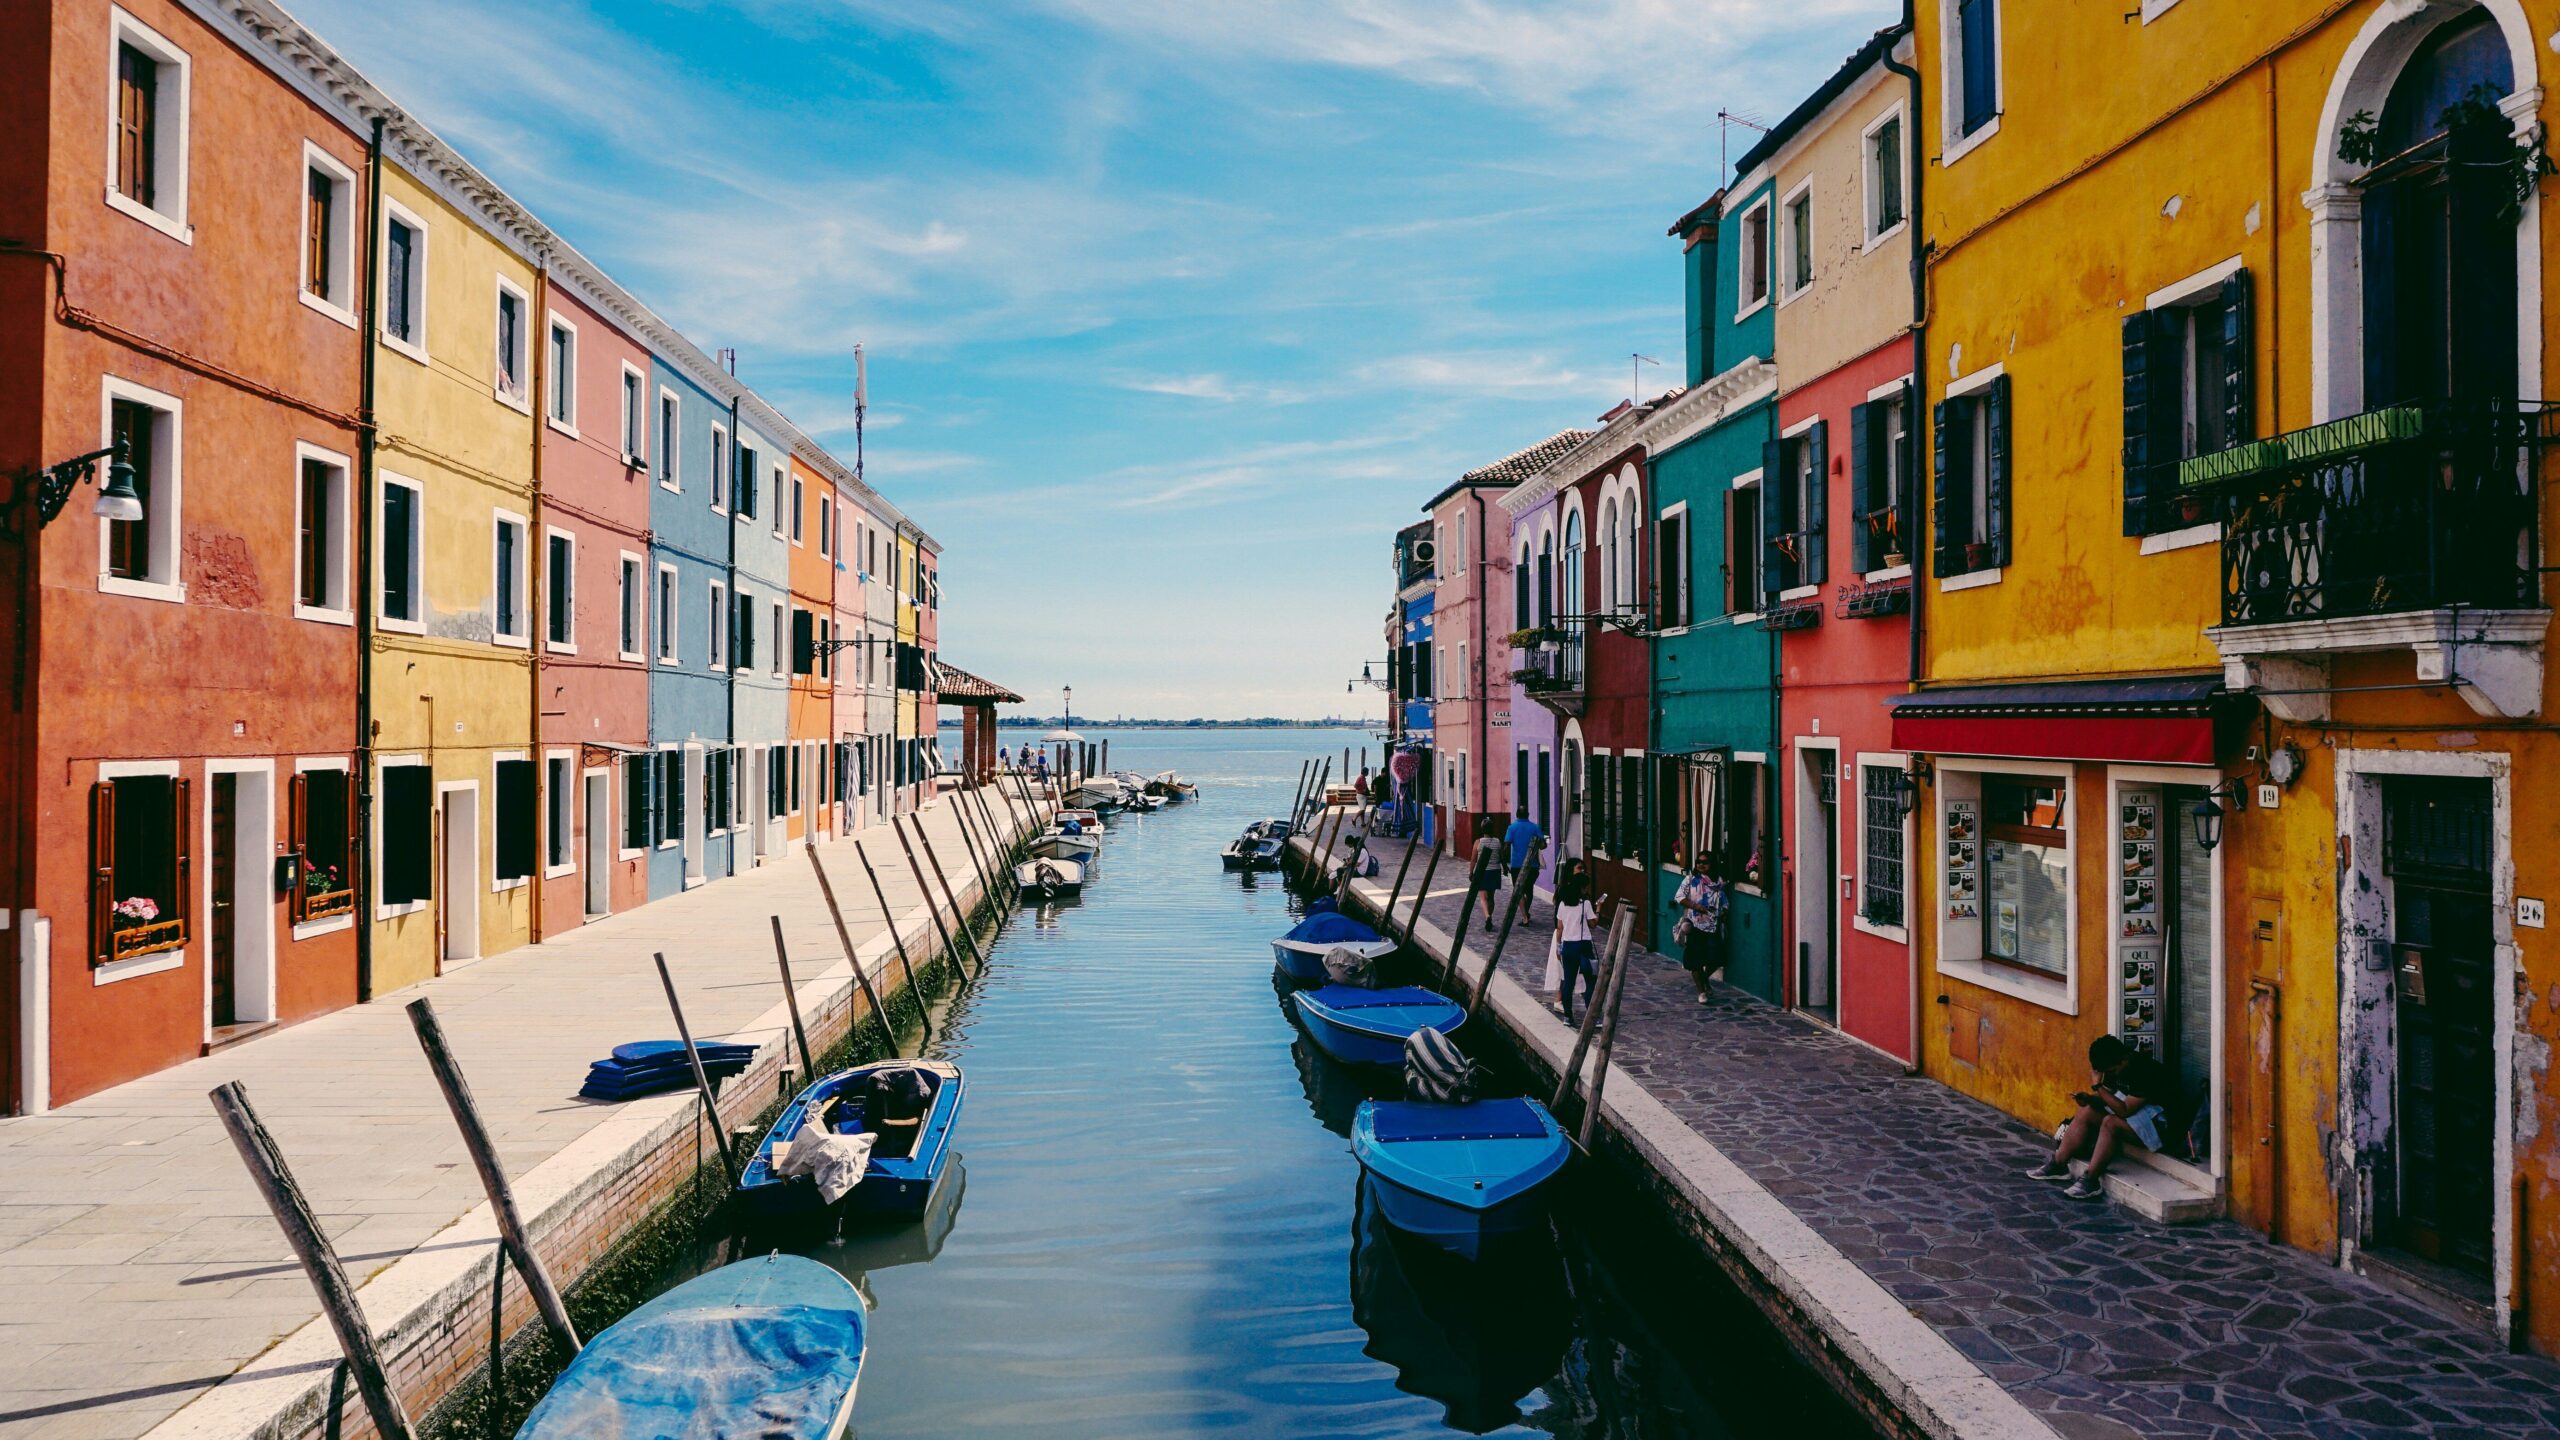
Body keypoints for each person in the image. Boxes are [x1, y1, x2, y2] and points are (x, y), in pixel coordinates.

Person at [2029, 1035, 2179, 1202]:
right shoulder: (2114, 1066)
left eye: (2112, 1071)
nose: (2110, 1075)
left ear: (2123, 1060)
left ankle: (2091, 1180)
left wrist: (2097, 1086)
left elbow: (2124, 1110)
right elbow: (2110, 1098)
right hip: (2139, 1119)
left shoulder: (2144, 1071)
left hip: (2162, 1128)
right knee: (2088, 1111)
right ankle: (2058, 1163)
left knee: (2111, 1123)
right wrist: (2089, 1099)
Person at [1670, 852, 1731, 1003]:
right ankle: (1701, 992)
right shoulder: (1691, 880)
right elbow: (1679, 897)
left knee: (1717, 958)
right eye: (1699, 862)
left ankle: (1704, 979)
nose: (1701, 865)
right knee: (1695, 960)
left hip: (1713, 925)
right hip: (1695, 924)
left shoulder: (1719, 882)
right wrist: (1696, 906)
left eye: (1705, 862)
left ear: (1712, 864)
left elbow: (1724, 901)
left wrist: (1723, 911)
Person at [1550, 867, 1599, 1024]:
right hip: (1584, 945)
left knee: (1568, 983)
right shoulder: (1585, 904)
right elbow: (1593, 924)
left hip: (1568, 946)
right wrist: (1598, 908)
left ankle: (1568, 1017)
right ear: (1582, 887)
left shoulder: (1563, 904)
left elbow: (1560, 928)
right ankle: (1594, 1017)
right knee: (1590, 981)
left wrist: (1558, 947)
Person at [1501, 806, 1545, 925]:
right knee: (1529, 890)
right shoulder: (1535, 827)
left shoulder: (1512, 828)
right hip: (1532, 865)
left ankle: (1525, 916)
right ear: (1528, 814)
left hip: (1516, 865)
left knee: (1519, 891)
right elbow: (1543, 845)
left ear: (1516, 814)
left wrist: (1504, 865)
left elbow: (1506, 847)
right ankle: (1526, 913)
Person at [1463, 822, 1504, 930]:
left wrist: (1471, 872)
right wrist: (1504, 867)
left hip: (1483, 872)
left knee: (1483, 897)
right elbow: (1501, 857)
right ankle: (1490, 916)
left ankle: (1487, 916)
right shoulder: (1497, 841)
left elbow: (1473, 859)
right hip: (1495, 871)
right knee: (1491, 897)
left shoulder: (1478, 842)